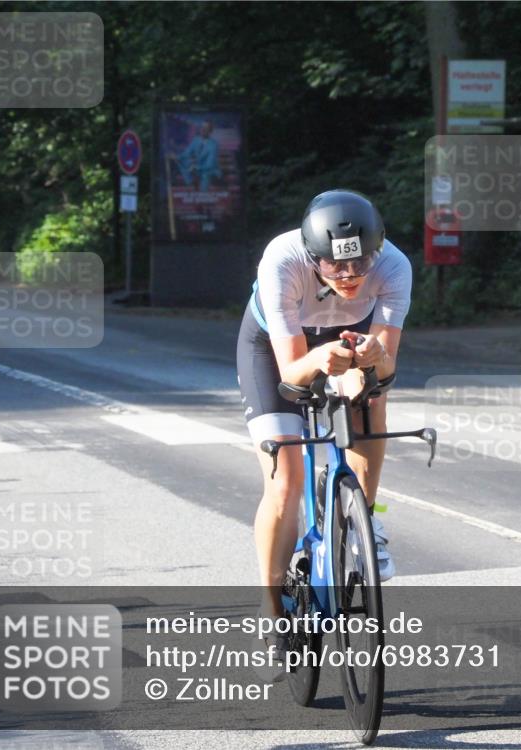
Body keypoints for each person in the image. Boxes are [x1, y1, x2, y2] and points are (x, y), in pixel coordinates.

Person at [236, 190, 412, 637]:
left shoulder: (395, 265)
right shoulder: (281, 260)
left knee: (369, 399)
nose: (351, 276)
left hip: (347, 335)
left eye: (361, 263)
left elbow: (387, 363)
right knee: (285, 479)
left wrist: (372, 358)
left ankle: (364, 518)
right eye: (336, 266)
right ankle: (272, 613)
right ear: (313, 256)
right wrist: (320, 362)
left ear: (378, 249)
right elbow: (293, 373)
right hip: (277, 346)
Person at [175, 120, 221, 191]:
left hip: (210, 170)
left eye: (206, 128)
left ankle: (203, 194)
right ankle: (190, 181)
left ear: (210, 131)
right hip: (198, 168)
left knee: (205, 175)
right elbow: (187, 152)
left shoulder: (213, 145)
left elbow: (209, 165)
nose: (202, 129)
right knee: (181, 160)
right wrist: (176, 156)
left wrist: (196, 167)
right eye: (202, 127)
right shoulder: (196, 140)